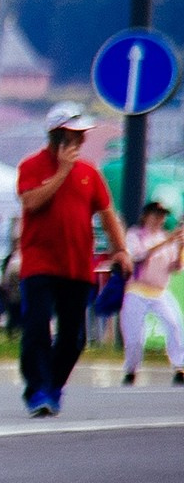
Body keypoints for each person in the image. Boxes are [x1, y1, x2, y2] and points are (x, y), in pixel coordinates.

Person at [16, 103, 133, 417]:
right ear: (57, 137)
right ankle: (37, 389)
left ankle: (53, 385)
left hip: (77, 265)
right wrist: (61, 172)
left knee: (74, 336)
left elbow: (109, 214)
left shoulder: (90, 174)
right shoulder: (32, 166)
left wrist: (120, 249)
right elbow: (31, 202)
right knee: (37, 328)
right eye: (73, 135)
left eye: (82, 136)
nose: (79, 142)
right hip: (39, 263)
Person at [121, 199, 184, 385]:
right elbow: (138, 255)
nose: (159, 219)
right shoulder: (136, 235)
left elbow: (176, 266)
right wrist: (168, 241)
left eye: (162, 216)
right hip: (137, 290)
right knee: (134, 336)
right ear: (146, 216)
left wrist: (180, 246)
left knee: (174, 324)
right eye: (156, 215)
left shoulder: (166, 237)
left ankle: (180, 366)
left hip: (159, 291)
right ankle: (131, 369)